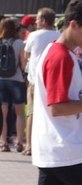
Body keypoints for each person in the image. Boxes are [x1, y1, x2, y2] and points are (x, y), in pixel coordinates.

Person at [11, 0, 82, 185]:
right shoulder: (58, 56)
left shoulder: (67, 53)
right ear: (74, 25)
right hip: (65, 148)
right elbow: (56, 107)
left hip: (60, 148)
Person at [22, 8, 60, 157]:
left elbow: (26, 55)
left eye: (37, 19)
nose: (36, 21)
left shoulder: (33, 35)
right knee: (50, 113)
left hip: (35, 80)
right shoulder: (59, 35)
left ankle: (29, 145)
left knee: (31, 112)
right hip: (52, 80)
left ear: (43, 21)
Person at [0, 17, 27, 152]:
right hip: (16, 80)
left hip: (0, 80)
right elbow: (23, 65)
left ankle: (4, 142)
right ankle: (19, 142)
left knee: (3, 113)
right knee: (20, 112)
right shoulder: (19, 44)